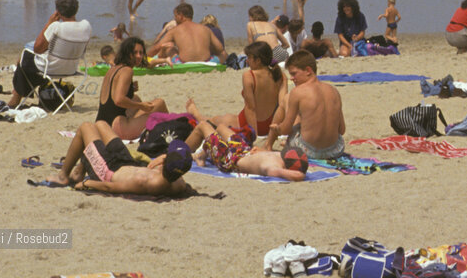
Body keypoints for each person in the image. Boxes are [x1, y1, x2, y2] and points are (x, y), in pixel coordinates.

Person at [47, 120, 191, 196]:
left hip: (108, 171)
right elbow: (175, 165)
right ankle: (79, 170)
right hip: (126, 162)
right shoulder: (177, 181)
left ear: (165, 163)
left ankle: (63, 176)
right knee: (101, 124)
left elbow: (110, 187)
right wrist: (165, 158)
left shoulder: (145, 182)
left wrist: (87, 184)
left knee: (86, 127)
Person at [186, 41, 287, 140]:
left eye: (249, 58)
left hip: (249, 123)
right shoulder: (281, 76)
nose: (247, 61)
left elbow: (250, 108)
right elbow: (283, 106)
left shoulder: (249, 76)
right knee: (225, 117)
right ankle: (197, 114)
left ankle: (196, 114)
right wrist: (274, 129)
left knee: (215, 120)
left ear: (258, 60)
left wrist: (253, 135)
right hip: (270, 125)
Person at [7, 0, 93, 108]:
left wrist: (49, 22)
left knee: (25, 56)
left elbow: (37, 48)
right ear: (76, 10)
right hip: (71, 68)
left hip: (51, 68)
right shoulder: (86, 26)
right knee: (29, 61)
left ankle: (17, 96)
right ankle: (18, 95)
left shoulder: (56, 27)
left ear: (58, 12)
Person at [267, 50, 346, 160]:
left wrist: (278, 129)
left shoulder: (298, 92)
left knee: (286, 99)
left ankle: (268, 145)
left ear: (308, 70)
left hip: (308, 151)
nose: (291, 78)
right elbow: (342, 130)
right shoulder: (333, 91)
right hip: (335, 150)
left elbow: (285, 130)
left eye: (294, 73)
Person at [95, 36, 169, 139]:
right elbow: (118, 100)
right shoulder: (127, 71)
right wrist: (141, 106)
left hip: (101, 124)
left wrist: (130, 89)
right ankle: (171, 130)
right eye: (135, 53)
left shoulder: (113, 69)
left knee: (136, 98)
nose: (138, 56)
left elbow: (112, 96)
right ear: (127, 53)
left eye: (141, 53)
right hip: (116, 128)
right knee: (160, 103)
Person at [183, 119, 306, 180]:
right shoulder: (280, 156)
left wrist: (300, 174)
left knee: (203, 125)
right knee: (221, 128)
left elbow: (298, 176)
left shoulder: (272, 167)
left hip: (230, 160)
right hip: (243, 150)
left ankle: (180, 152)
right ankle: (205, 151)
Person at [149, 3, 228, 63]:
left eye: (175, 16)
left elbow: (157, 48)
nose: (174, 18)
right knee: (224, 54)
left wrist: (145, 57)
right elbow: (220, 48)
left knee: (169, 49)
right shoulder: (205, 29)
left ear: (181, 16)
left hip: (183, 63)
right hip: (206, 62)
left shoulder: (175, 30)